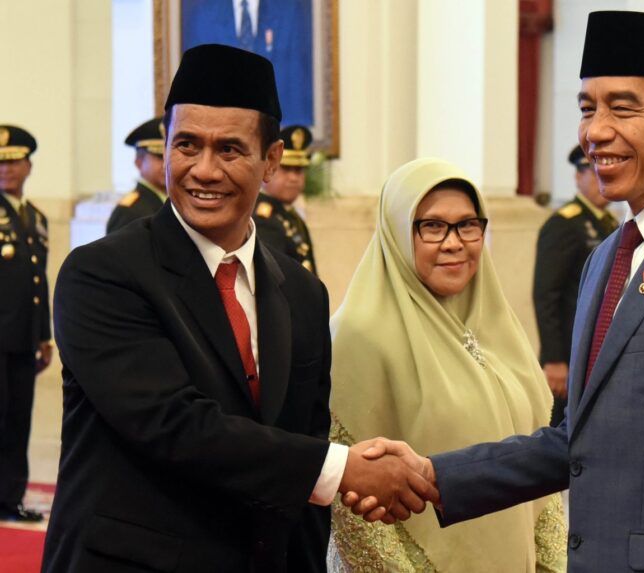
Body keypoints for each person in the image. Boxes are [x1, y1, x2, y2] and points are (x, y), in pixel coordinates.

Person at [348, 11, 644, 572]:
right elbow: (579, 441)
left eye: (623, 107)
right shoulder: (607, 258)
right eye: (587, 108)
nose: (595, 131)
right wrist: (433, 474)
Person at [43, 44, 435, 573]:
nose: (203, 170)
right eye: (186, 145)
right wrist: (343, 469)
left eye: (228, 149)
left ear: (270, 160)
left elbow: (300, 445)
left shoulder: (301, 293)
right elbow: (174, 425)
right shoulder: (102, 274)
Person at [328, 158, 566, 572]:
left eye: (468, 224)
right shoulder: (359, 333)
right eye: (433, 226)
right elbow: (354, 507)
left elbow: (539, 469)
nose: (454, 242)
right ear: (398, 233)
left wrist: (552, 564)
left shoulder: (499, 326)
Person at [533, 145, 618, 426]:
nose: (601, 179)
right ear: (578, 178)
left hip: (595, 347)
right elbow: (546, 295)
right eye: (593, 173)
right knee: (562, 429)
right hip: (569, 352)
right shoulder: (564, 224)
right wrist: (554, 359)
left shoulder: (609, 222)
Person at [0, 125, 51, 523]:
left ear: (29, 166)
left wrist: (45, 337)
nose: (6, 169)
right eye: (0, 162)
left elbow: (39, 281)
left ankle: (11, 496)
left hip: (22, 339)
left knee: (18, 420)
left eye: (14, 161)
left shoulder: (35, 217)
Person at [181, 0, 313, 126]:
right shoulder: (203, 14)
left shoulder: (290, 11)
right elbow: (196, 90)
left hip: (274, 130)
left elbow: (297, 86)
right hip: (220, 134)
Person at [254, 125, 316, 274]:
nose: (293, 178)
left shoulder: (291, 214)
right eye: (286, 169)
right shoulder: (264, 219)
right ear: (269, 168)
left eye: (299, 170)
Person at [106, 116, 167, 233]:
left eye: (169, 157)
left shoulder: (170, 203)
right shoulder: (129, 211)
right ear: (139, 162)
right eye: (159, 157)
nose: (165, 165)